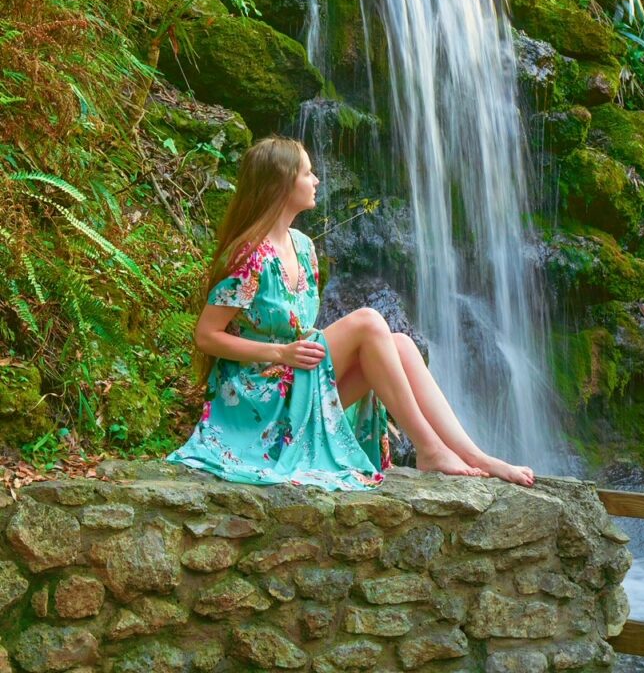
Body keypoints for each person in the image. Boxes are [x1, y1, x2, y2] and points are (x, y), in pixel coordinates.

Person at [165, 135, 535, 491]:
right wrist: (279, 353)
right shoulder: (250, 257)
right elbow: (206, 336)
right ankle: (429, 448)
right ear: (281, 184)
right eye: (308, 173)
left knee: (402, 345)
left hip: (294, 383)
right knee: (369, 322)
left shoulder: (304, 248)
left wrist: (294, 354)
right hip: (256, 397)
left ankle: (472, 454)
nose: (316, 180)